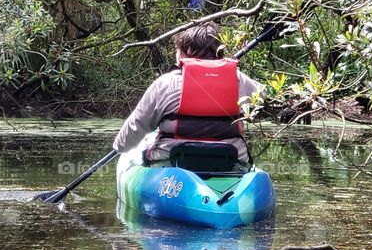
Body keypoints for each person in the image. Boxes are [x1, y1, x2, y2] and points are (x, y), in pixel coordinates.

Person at [112, 21, 263, 171]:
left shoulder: (166, 83)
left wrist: (120, 146)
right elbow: (262, 97)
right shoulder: (237, 78)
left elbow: (136, 126)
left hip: (170, 164)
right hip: (231, 163)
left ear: (187, 51)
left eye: (177, 50)